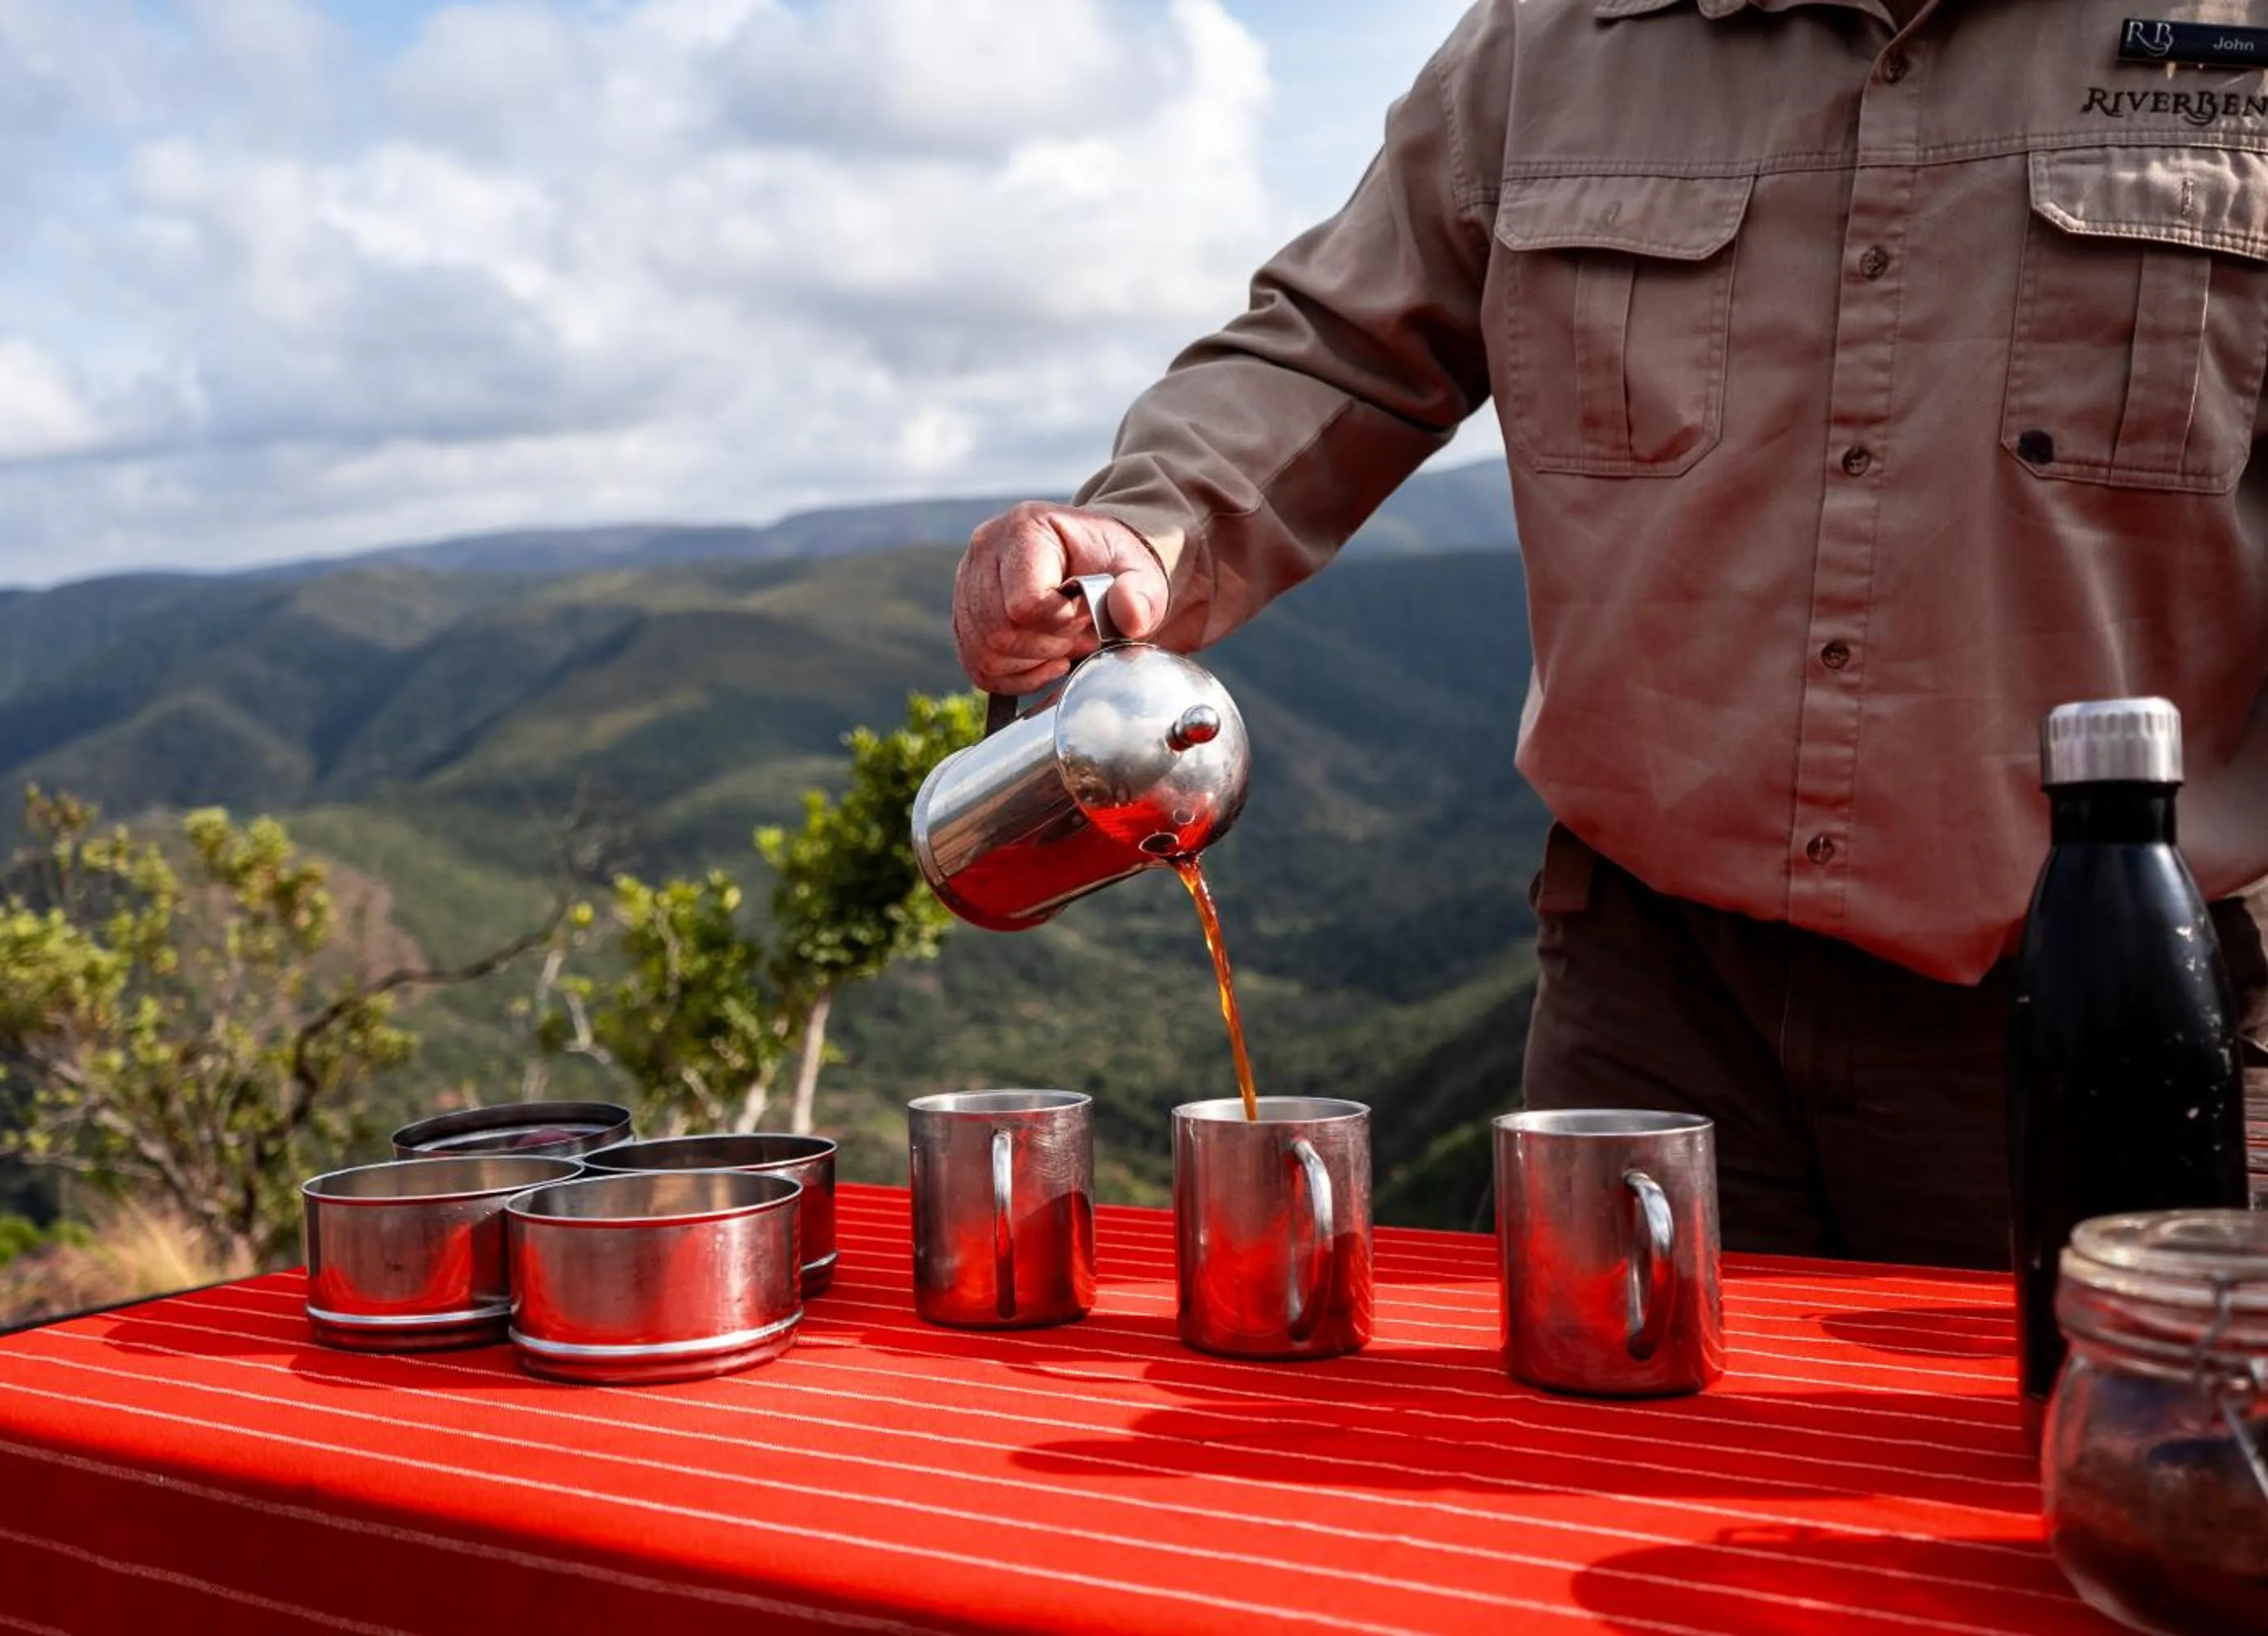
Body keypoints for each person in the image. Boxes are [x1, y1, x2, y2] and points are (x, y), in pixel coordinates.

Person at [947, 0, 2268, 1270]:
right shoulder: (1558, 35)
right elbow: (1335, 346)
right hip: (1652, 1004)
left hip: (2126, 1000)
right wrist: (1150, 526)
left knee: (2079, 1474)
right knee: (1589, 1458)